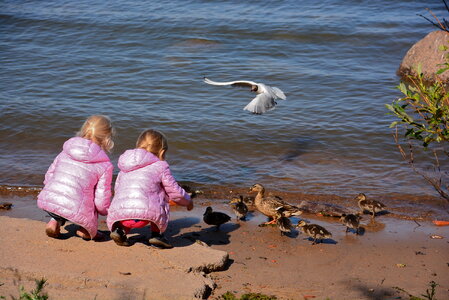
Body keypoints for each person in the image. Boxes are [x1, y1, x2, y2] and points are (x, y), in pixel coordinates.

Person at [107, 129, 193, 248]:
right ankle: (157, 235)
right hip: (146, 217)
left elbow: (117, 190)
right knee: (162, 196)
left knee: (126, 196)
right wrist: (188, 201)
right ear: (162, 152)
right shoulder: (161, 166)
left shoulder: (124, 168)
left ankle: (120, 231)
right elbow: (174, 192)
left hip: (121, 216)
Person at [37, 115, 115, 240]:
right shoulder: (104, 164)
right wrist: (104, 211)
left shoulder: (66, 151)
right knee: (91, 198)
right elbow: (101, 200)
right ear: (107, 138)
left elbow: (49, 176)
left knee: (66, 193)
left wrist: (49, 189)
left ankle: (54, 221)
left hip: (51, 199)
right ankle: (85, 230)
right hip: (77, 210)